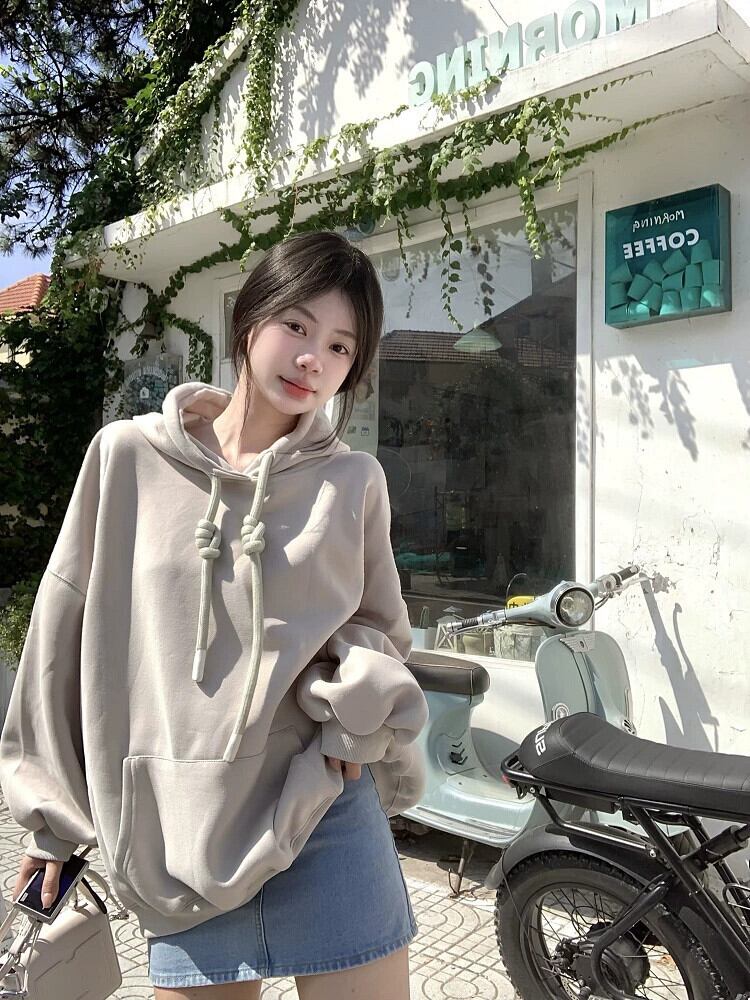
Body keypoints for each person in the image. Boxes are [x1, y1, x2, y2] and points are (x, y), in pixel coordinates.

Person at [0, 230, 429, 1000]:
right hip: (175, 830)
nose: (313, 359)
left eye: (340, 347)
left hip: (319, 802)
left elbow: (378, 627)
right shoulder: (126, 457)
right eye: (297, 326)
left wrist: (356, 724)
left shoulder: (354, 481)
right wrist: (52, 824)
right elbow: (60, 641)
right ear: (249, 319)